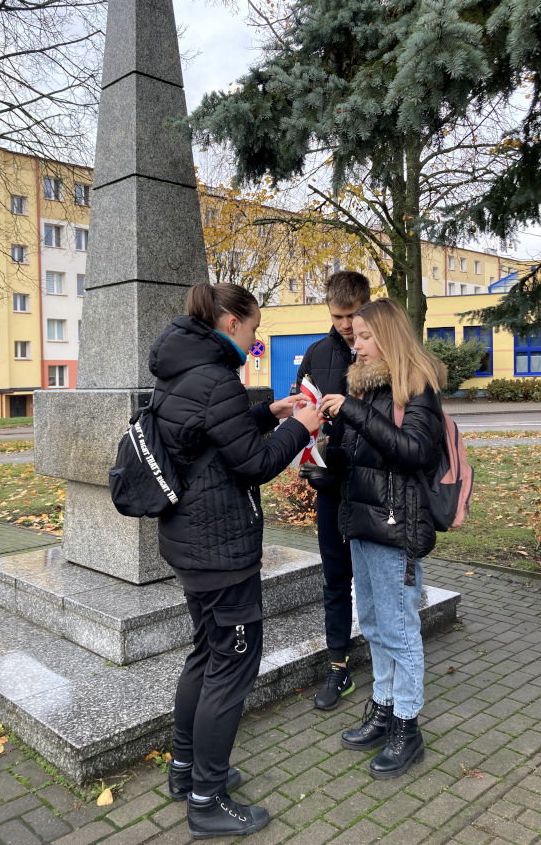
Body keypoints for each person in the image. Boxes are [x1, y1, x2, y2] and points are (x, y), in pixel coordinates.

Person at [148, 281, 320, 839]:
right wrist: (301, 426)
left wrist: (268, 411)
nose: (257, 334)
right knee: (232, 665)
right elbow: (252, 465)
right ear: (229, 322)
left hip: (191, 543)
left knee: (207, 652)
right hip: (220, 550)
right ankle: (207, 799)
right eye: (254, 325)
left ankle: (184, 772)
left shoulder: (183, 369)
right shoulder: (217, 377)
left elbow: (216, 441)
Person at [321, 298, 445, 779]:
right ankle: (383, 707)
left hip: (396, 528)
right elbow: (364, 458)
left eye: (366, 335)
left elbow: (413, 451)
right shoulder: (368, 389)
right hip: (362, 522)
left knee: (399, 629)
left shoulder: (417, 389)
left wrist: (353, 411)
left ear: (390, 336)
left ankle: (407, 727)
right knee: (372, 623)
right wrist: (328, 467)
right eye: (354, 335)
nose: (356, 342)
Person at [295, 270, 370, 710]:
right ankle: (338, 667)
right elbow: (299, 408)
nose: (346, 324)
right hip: (330, 486)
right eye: (338, 315)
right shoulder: (316, 353)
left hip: (374, 487)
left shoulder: (383, 352)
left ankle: (389, 661)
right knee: (335, 579)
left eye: (353, 315)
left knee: (379, 580)